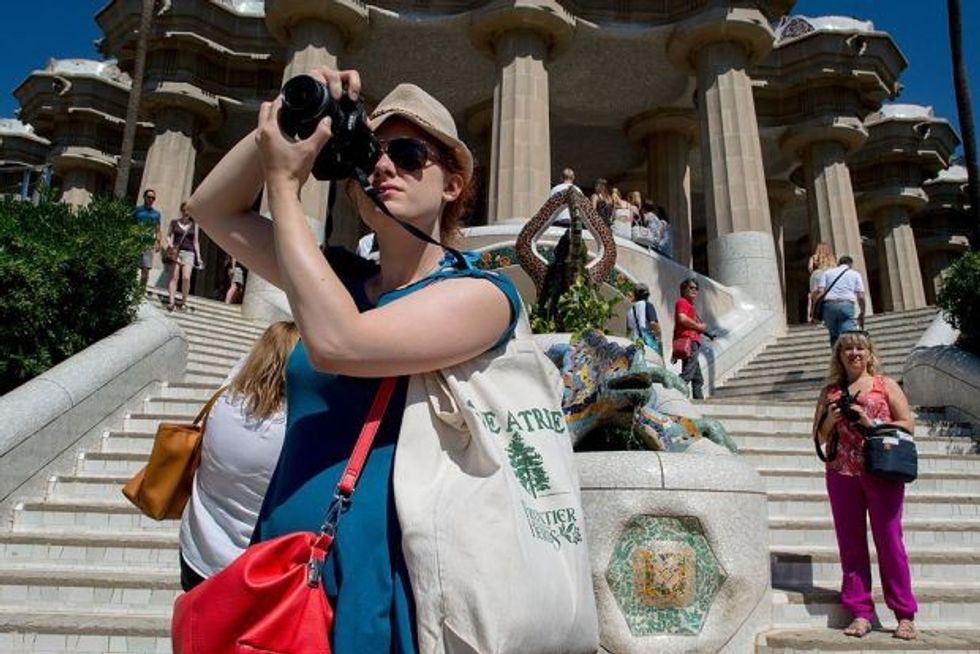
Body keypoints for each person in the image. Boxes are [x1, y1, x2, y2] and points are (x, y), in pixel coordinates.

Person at [185, 69, 523, 652]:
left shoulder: (485, 297)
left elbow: (340, 345)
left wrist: (285, 190)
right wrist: (294, 116)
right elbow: (210, 209)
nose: (385, 166)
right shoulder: (338, 279)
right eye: (374, 153)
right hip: (284, 569)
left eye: (410, 153)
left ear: (452, 184)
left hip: (385, 583)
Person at [811, 330, 918, 641]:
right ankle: (860, 612)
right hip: (841, 472)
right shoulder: (830, 391)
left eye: (860, 348)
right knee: (851, 545)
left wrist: (870, 423)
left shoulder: (886, 385)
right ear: (839, 357)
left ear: (870, 354)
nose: (854, 353)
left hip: (882, 469)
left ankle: (904, 614)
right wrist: (831, 419)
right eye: (847, 350)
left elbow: (908, 423)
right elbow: (819, 436)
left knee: (890, 542)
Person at [178, 321, 299, 592]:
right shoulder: (288, 431)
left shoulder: (224, 401)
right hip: (249, 569)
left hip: (196, 553)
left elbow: (242, 369)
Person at [815, 255, 866, 347]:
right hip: (846, 305)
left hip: (829, 306)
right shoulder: (855, 274)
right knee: (846, 335)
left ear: (838, 263)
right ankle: (845, 358)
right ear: (850, 264)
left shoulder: (827, 273)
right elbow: (861, 296)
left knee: (834, 336)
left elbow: (820, 292)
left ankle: (836, 357)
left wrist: (815, 310)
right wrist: (862, 311)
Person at [673, 277, 709, 399]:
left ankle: (699, 402)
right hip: (690, 342)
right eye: (691, 287)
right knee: (688, 373)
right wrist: (699, 326)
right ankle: (672, 392)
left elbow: (677, 327)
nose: (694, 290)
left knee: (697, 378)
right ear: (684, 289)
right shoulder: (682, 302)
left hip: (690, 342)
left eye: (696, 288)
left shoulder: (689, 305)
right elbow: (682, 319)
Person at [166, 201, 202, 312]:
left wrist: (199, 257)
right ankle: (171, 302)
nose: (187, 212)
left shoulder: (194, 225)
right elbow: (168, 236)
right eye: (185, 209)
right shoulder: (174, 223)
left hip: (189, 253)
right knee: (174, 277)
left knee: (186, 278)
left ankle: (184, 302)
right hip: (177, 252)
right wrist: (171, 245)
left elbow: (196, 241)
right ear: (182, 210)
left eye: (189, 210)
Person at [133, 188, 163, 290]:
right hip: (135, 241)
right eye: (149, 197)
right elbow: (130, 225)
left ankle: (141, 292)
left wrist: (158, 242)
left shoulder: (156, 214)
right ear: (144, 197)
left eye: (153, 198)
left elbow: (158, 229)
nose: (151, 199)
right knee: (132, 266)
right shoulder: (137, 210)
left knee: (146, 269)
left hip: (148, 243)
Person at [626, 283, 661, 356]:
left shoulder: (630, 311)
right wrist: (659, 338)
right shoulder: (648, 305)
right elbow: (653, 323)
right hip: (647, 344)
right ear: (647, 295)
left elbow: (628, 330)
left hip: (634, 343)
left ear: (635, 295)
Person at [807, 242, 836, 323]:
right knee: (828, 296)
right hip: (829, 275)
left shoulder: (814, 257)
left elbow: (810, 268)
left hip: (817, 274)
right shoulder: (831, 258)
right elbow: (835, 267)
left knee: (815, 297)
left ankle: (814, 316)